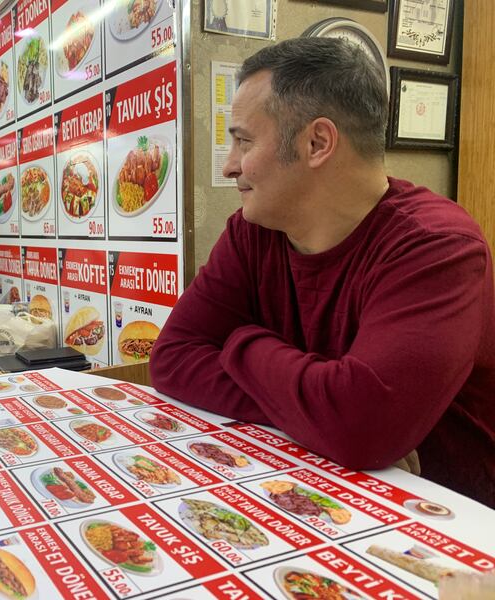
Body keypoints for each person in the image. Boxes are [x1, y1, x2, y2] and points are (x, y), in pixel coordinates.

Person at [150, 38, 495, 508]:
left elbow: (361, 427)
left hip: (447, 527)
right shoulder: (254, 231)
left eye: (243, 140)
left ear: (317, 143)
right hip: (319, 494)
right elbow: (171, 359)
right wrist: (318, 415)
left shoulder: (436, 247)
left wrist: (243, 343)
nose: (230, 165)